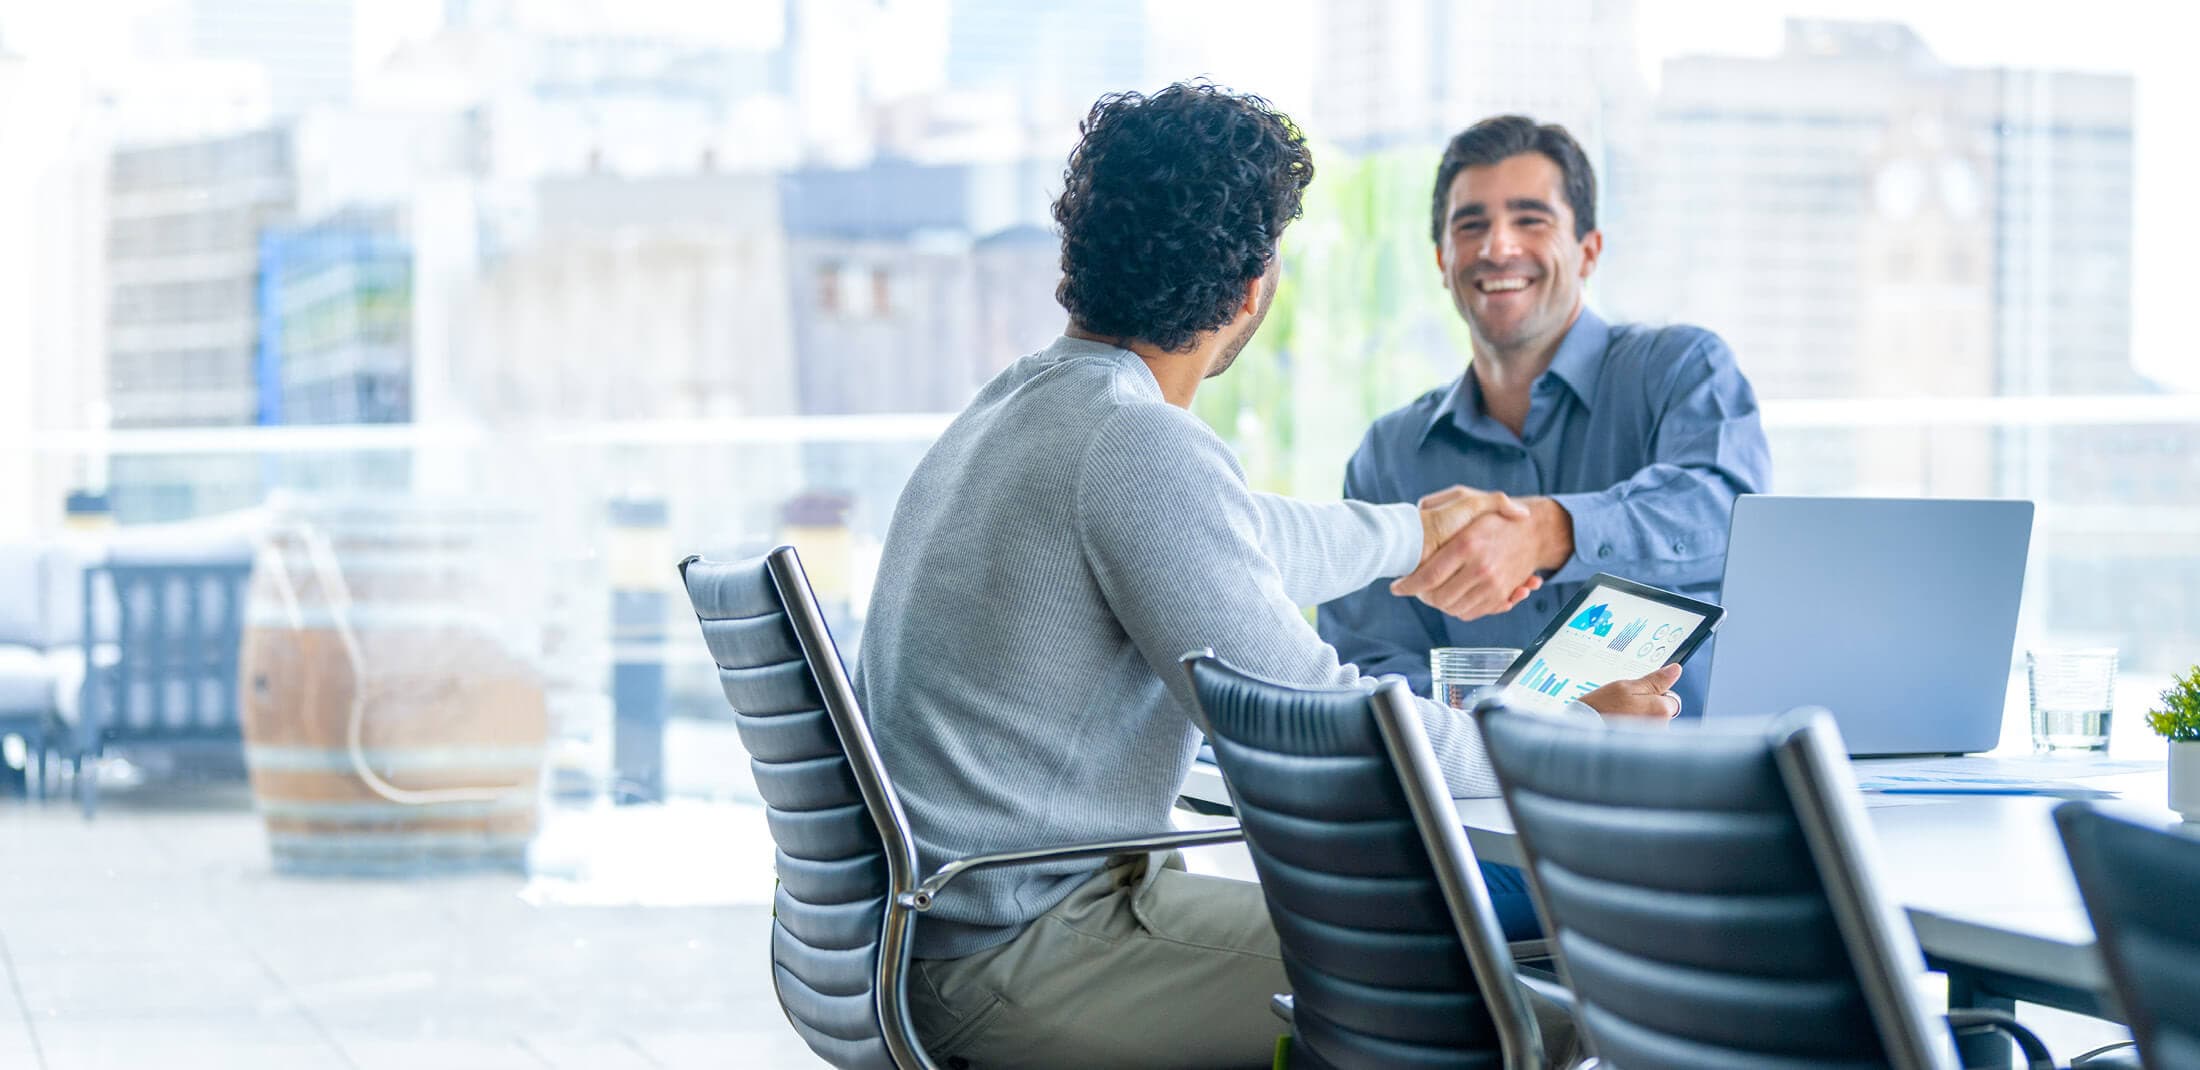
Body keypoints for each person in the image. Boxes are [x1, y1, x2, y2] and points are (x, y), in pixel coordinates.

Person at [853, 84, 1672, 1068]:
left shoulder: (1027, 404)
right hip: (1032, 951)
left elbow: (1235, 539)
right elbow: (1333, 728)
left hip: (939, 934)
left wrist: (1414, 532)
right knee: (1531, 1015)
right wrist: (1575, 730)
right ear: (1253, 290)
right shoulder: (1133, 442)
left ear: (1079, 254)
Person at [1319, 115, 1772, 723]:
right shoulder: (1390, 455)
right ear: (1441, 259)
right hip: (1485, 807)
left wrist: (1546, 531)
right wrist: (1530, 726)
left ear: (1589, 250)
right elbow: (1371, 671)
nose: (1498, 246)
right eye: (1470, 225)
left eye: (1531, 220)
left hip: (1689, 792)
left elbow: (1730, 515)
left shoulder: (1682, 370)